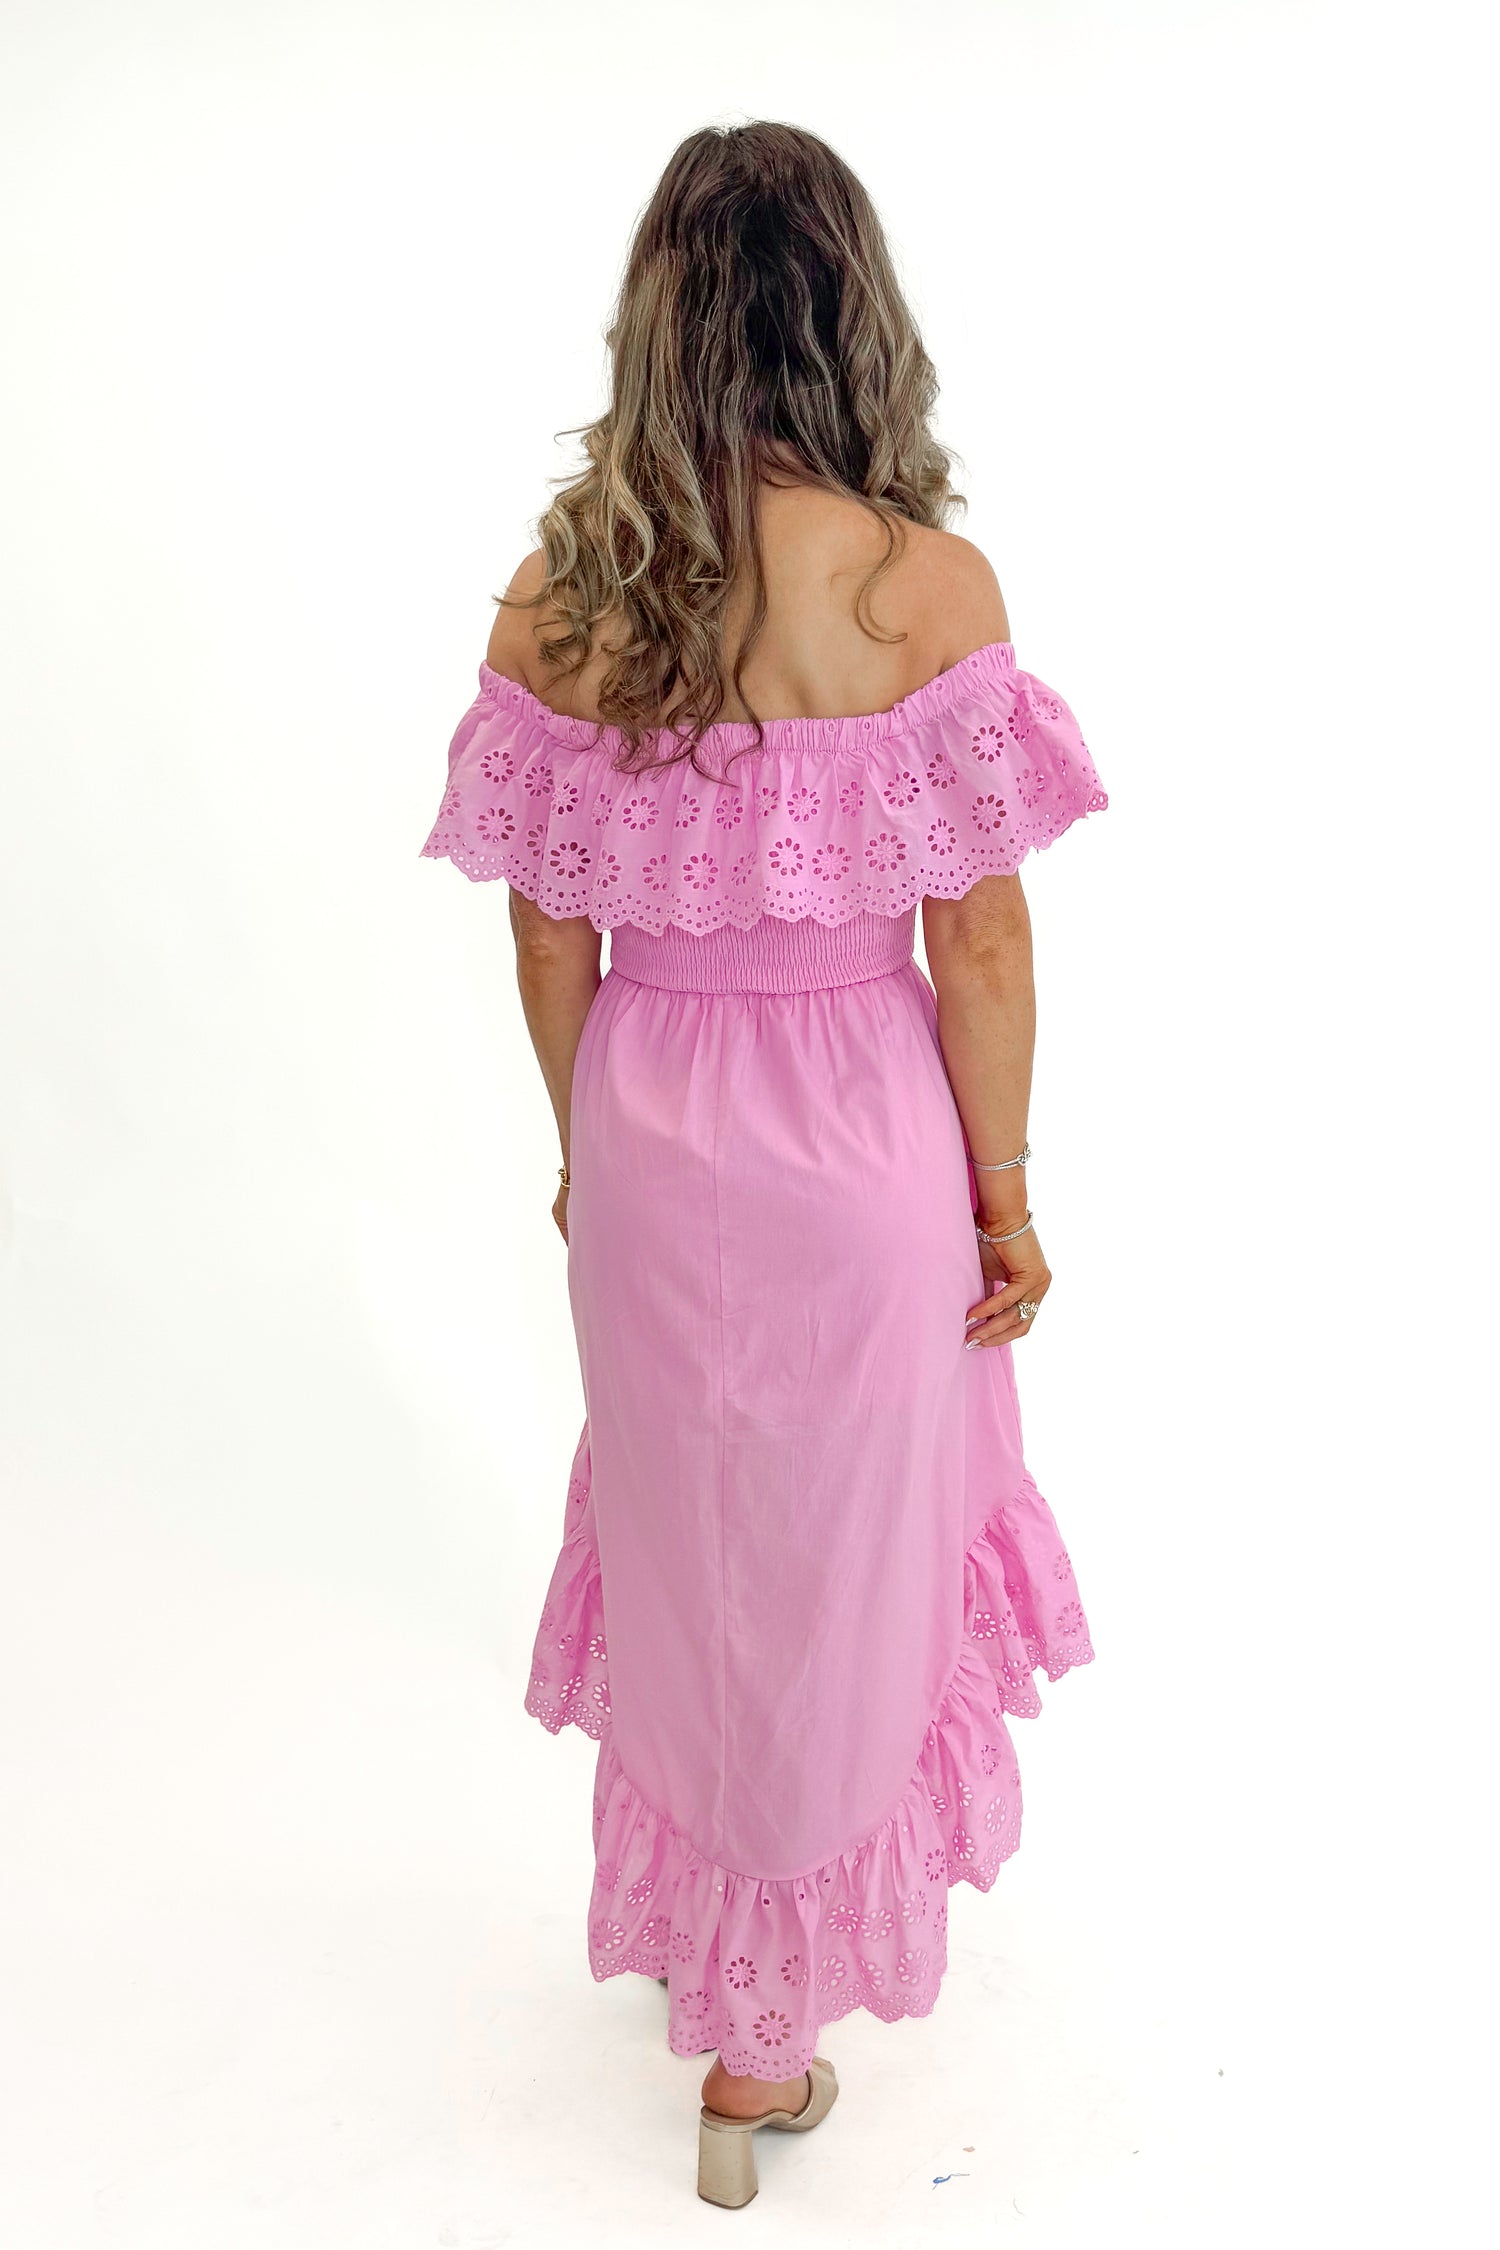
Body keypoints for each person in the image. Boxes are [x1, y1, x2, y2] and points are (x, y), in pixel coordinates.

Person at [420, 118, 1108, 2209]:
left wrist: (580, 1152)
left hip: (650, 1111)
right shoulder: (921, 588)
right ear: (847, 318)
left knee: (696, 1531)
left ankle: (726, 1975)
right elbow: (978, 940)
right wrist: (1000, 1196)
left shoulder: (570, 588)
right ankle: (759, 2048)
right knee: (850, 1549)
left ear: (661, 327)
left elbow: (548, 930)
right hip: (860, 1131)